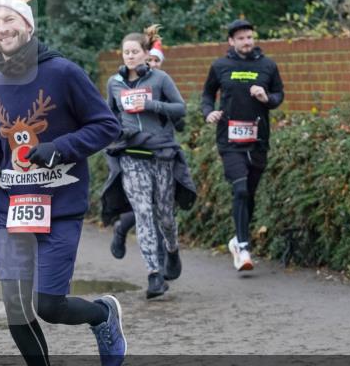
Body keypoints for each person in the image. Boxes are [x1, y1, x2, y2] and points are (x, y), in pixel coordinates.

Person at [0, 0, 126, 366]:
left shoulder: (63, 73)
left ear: (28, 24)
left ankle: (101, 314)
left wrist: (60, 147)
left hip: (61, 205)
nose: (2, 28)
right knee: (16, 308)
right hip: (13, 208)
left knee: (49, 306)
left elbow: (106, 125)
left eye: (9, 20)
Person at [105, 25, 187, 298]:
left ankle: (172, 251)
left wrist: (151, 105)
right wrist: (116, 133)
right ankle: (154, 273)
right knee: (142, 212)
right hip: (131, 156)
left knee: (164, 214)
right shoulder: (114, 83)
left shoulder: (160, 79)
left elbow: (180, 108)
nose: (129, 56)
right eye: (126, 52)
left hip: (161, 155)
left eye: (134, 52)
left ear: (145, 54)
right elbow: (109, 115)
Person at [201, 19, 284, 272]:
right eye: (241, 38)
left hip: (258, 139)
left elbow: (279, 95)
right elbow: (207, 94)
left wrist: (266, 97)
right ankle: (244, 247)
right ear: (231, 41)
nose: (246, 42)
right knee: (239, 190)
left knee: (249, 193)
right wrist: (208, 113)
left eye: (249, 37)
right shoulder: (220, 66)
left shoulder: (267, 66)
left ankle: (238, 239)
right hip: (230, 139)